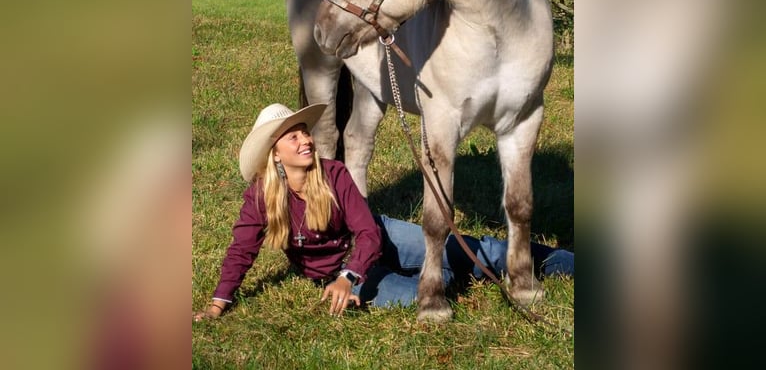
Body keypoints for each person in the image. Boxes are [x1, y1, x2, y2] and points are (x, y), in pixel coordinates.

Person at [193, 103, 573, 321]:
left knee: (474, 250)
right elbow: (241, 250)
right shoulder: (261, 197)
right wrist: (217, 304)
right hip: (347, 273)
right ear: (275, 153)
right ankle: (443, 274)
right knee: (418, 295)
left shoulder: (335, 174)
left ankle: (566, 261)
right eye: (293, 136)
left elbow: (369, 234)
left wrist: (348, 275)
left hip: (378, 239)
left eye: (304, 132)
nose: (306, 139)